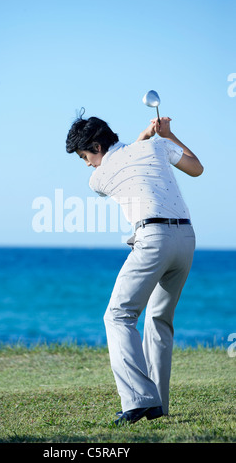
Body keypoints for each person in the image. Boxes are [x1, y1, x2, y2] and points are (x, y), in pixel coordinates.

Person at [65, 111, 204, 425]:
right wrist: (165, 134)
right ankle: (159, 406)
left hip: (153, 239)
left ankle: (139, 401)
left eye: (85, 156)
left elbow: (123, 159)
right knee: (159, 320)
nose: (87, 163)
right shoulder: (156, 146)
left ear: (97, 147)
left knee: (118, 315)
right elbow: (196, 168)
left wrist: (146, 136)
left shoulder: (97, 178)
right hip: (186, 238)